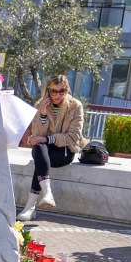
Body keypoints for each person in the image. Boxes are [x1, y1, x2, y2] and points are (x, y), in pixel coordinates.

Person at [17, 75, 86, 221]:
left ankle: (30, 207)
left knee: (40, 160)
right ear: (48, 90)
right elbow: (37, 135)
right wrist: (42, 114)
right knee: (39, 149)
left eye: (62, 91)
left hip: (65, 151)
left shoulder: (75, 106)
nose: (58, 95)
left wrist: (48, 139)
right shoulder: (40, 105)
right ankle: (47, 193)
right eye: (54, 91)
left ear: (67, 90)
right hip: (44, 149)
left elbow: (73, 136)